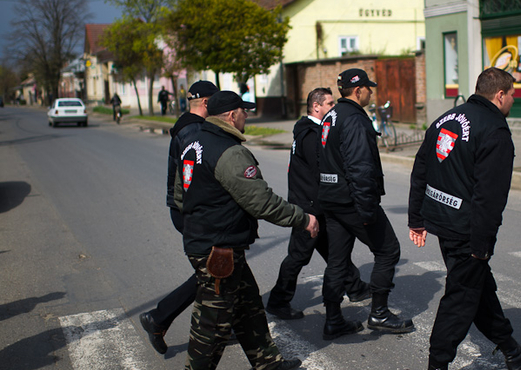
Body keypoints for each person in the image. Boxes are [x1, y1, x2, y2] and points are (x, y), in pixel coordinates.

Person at [407, 67, 521, 370]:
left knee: (479, 289)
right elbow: (489, 197)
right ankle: (437, 365)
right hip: (466, 231)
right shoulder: (494, 129)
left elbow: (420, 170)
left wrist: (417, 218)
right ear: (500, 95)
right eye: (512, 95)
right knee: (459, 301)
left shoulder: (446, 118)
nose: (513, 101)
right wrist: (481, 245)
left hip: (445, 223)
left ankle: (512, 351)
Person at [174, 90, 316, 370]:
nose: (247, 116)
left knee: (249, 307)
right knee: (212, 326)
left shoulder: (193, 143)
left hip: (210, 242)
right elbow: (262, 202)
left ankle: (268, 363)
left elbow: (180, 195)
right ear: (230, 115)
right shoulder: (230, 152)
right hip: (218, 249)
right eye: (244, 111)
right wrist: (303, 219)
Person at [317, 68, 414, 340]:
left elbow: (322, 159)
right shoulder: (355, 119)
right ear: (358, 90)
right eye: (368, 88)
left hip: (332, 200)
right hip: (352, 201)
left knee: (337, 262)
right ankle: (379, 313)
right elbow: (360, 168)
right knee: (388, 250)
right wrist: (368, 210)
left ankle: (333, 319)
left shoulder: (331, 116)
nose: (371, 92)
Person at [266, 88, 371, 320]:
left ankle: (354, 287)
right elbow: (321, 171)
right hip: (309, 207)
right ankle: (278, 300)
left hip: (316, 204)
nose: (333, 108)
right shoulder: (311, 134)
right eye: (330, 104)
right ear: (316, 107)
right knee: (298, 255)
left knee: (334, 250)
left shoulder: (310, 130)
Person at [139, 80, 219, 355]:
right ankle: (159, 318)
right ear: (207, 103)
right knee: (212, 271)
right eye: (216, 102)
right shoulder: (194, 130)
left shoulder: (187, 125)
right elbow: (195, 179)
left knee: (223, 271)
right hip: (191, 211)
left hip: (186, 208)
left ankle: (226, 325)